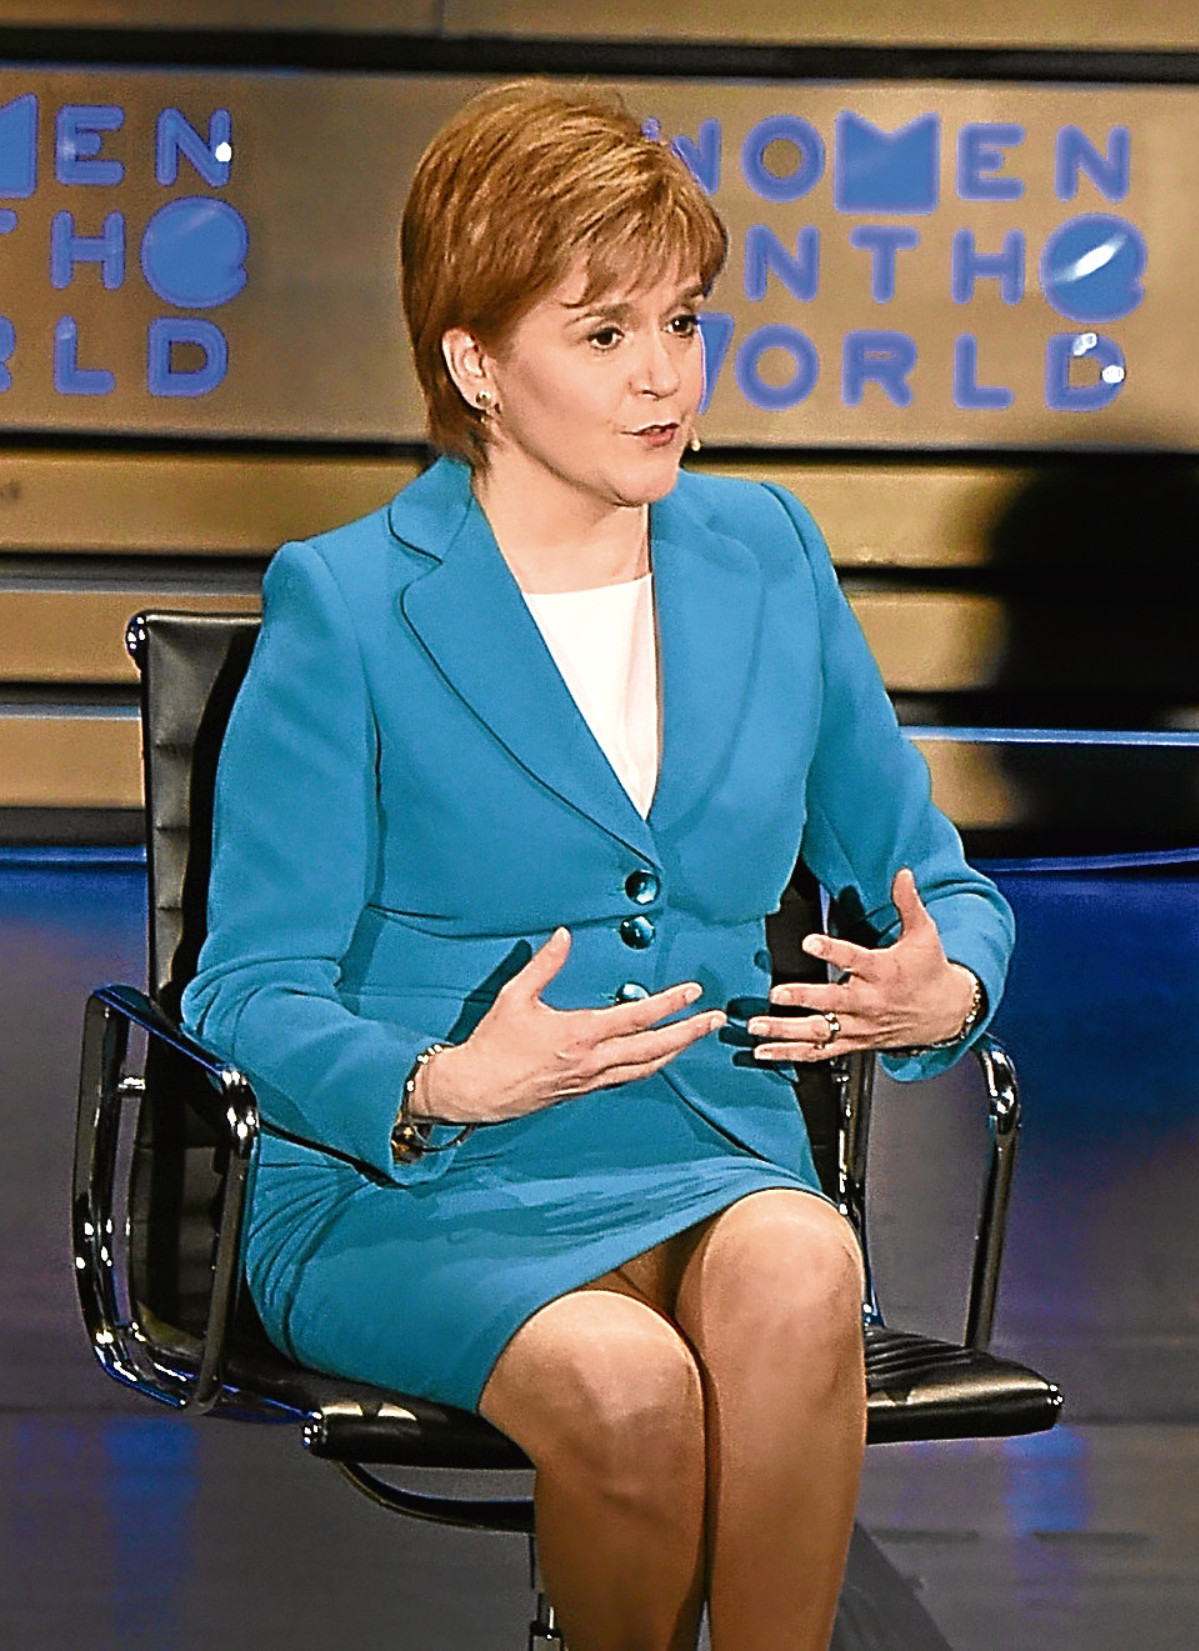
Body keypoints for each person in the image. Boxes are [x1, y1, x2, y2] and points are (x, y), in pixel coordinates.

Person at [180, 82, 1013, 1651]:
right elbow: (246, 993)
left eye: (682, 325)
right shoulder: (350, 608)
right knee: (629, 1391)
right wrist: (439, 1081)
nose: (665, 382)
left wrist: (942, 980)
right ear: (476, 362)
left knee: (800, 1260)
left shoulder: (765, 555)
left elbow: (930, 878)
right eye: (605, 333)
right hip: (410, 1185)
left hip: (701, 1145)